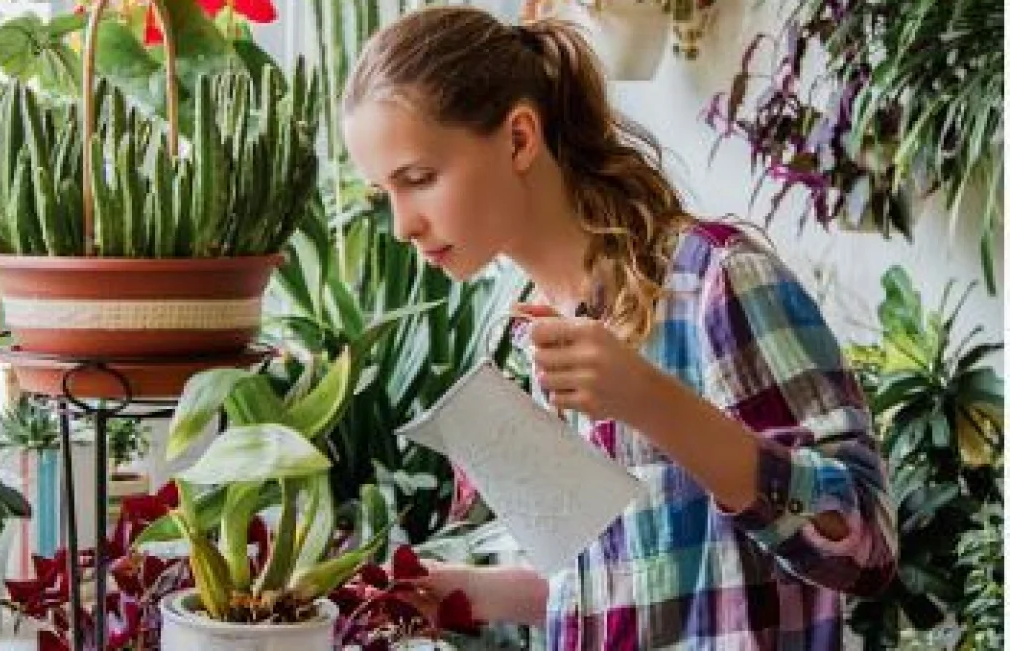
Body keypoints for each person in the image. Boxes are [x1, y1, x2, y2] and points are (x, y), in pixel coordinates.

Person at [341, 6, 897, 650]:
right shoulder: (527, 331)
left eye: (420, 179)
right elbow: (623, 584)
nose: (404, 223)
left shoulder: (716, 281)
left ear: (520, 138)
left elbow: (866, 545)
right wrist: (466, 592)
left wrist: (650, 401)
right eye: (387, 193)